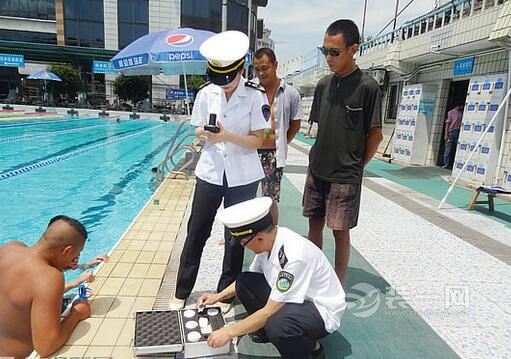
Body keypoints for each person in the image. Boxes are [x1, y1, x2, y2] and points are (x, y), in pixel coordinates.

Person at [170, 30, 268, 312]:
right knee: (196, 232)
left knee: (236, 236)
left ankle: (225, 293)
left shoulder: (254, 96)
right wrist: (206, 133)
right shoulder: (206, 92)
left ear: (240, 69)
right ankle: (181, 290)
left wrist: (227, 137)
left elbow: (258, 140)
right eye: (219, 79)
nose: (224, 86)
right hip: (210, 172)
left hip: (243, 175)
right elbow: (197, 127)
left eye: (230, 79)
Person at [198, 197, 346, 359]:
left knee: (279, 325)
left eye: (243, 243)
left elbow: (268, 312)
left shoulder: (294, 255)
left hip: (318, 309)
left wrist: (229, 332)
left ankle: (312, 349)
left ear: (259, 237)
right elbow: (248, 281)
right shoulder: (270, 241)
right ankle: (263, 330)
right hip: (293, 299)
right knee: (244, 281)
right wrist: (217, 297)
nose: (243, 246)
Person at [303, 19, 383, 286]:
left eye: (334, 52)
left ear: (353, 49)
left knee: (340, 230)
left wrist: (357, 166)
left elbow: (375, 134)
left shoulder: (367, 87)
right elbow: (318, 125)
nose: (328, 57)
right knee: (314, 224)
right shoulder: (323, 85)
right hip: (317, 168)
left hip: (345, 175)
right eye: (324, 50)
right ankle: (313, 275)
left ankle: (337, 283)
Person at [0, 215, 91, 358]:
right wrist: (77, 313)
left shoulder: (9, 248)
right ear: (67, 251)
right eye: (76, 255)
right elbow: (46, 346)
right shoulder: (49, 277)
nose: (75, 260)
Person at [254, 47, 303, 224]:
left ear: (275, 65)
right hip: (249, 152)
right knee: (244, 197)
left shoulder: (290, 93)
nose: (260, 73)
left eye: (264, 68)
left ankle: (270, 238)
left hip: (273, 156)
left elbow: (295, 125)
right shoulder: (250, 91)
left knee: (269, 200)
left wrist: (280, 143)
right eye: (257, 69)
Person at [442, 103, 464, 169]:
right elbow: (447, 124)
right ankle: (446, 164)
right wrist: (446, 135)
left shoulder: (461, 113)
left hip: (458, 131)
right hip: (451, 132)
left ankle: (454, 163)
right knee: (448, 149)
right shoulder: (451, 112)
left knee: (457, 148)